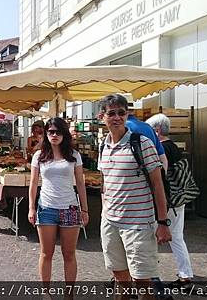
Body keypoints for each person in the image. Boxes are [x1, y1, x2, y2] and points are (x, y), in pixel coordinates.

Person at [97, 94, 171, 299]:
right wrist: (104, 212)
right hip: (110, 222)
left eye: (122, 113)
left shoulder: (142, 143)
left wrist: (163, 222)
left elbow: (158, 185)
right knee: (120, 278)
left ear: (127, 114)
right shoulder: (103, 146)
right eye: (111, 113)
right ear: (101, 116)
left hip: (138, 224)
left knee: (142, 282)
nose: (117, 117)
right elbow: (105, 182)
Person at [27, 117, 89, 287]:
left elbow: (81, 183)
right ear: (46, 134)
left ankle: (69, 293)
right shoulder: (39, 156)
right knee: (46, 253)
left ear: (64, 134)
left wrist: (85, 209)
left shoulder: (74, 155)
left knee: (69, 254)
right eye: (51, 132)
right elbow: (33, 184)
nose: (54, 135)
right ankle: (45, 291)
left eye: (58, 132)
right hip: (46, 209)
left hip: (70, 208)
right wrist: (31, 208)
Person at [146, 113, 194, 288]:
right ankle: (185, 275)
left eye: (149, 130)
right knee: (177, 237)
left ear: (156, 131)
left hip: (167, 201)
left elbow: (159, 179)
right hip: (178, 199)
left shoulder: (162, 149)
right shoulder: (173, 146)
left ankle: (151, 275)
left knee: (152, 237)